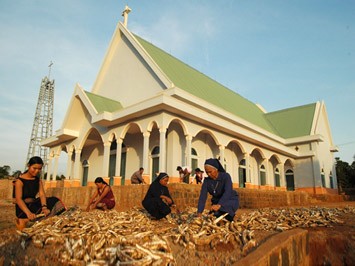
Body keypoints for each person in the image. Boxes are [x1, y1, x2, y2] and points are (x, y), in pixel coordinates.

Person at [14, 156, 66, 231]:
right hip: (23, 207)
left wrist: (44, 207)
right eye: (34, 168)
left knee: (53, 200)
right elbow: (18, 199)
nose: (36, 171)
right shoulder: (19, 181)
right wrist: (28, 213)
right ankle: (24, 220)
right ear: (28, 166)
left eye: (39, 169)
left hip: (33, 204)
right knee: (23, 230)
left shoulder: (37, 180)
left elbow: (42, 194)